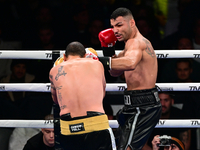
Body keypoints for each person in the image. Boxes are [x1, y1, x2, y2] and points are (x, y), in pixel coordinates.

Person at [98, 7, 162, 150]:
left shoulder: (136, 42)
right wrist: (108, 50)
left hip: (143, 106)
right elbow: (114, 71)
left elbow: (130, 63)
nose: (115, 31)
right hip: (134, 104)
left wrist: (99, 61)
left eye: (119, 25)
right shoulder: (130, 46)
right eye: (113, 26)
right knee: (120, 146)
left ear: (132, 22)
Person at [49, 41, 116, 150]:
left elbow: (56, 100)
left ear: (64, 56)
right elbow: (102, 94)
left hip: (68, 127)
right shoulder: (97, 65)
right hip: (96, 124)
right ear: (85, 56)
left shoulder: (54, 71)